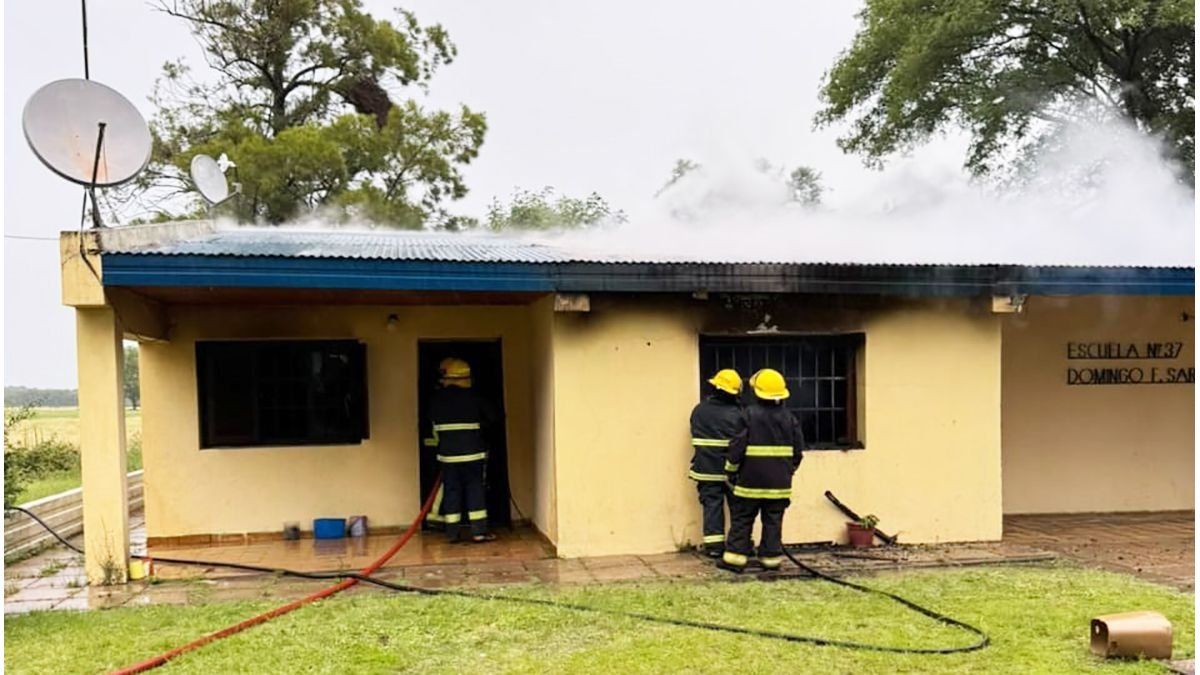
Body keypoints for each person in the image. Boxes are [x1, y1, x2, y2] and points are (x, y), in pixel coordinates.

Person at [721, 368, 805, 572]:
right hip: (779, 485)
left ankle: (735, 559)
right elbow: (797, 452)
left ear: (757, 392)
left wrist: (730, 470)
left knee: (742, 519)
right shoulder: (790, 418)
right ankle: (771, 559)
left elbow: (737, 447)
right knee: (773, 521)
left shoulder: (748, 415)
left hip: (749, 482)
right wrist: (788, 471)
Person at [427, 357, 499, 543]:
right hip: (473, 454)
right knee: (475, 489)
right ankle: (479, 532)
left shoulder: (437, 399)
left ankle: (452, 533)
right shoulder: (475, 397)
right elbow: (493, 418)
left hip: (448, 456)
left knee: (451, 491)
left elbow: (431, 422)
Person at [688, 369, 746, 558]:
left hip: (705, 469)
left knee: (712, 507)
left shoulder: (699, 410)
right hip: (733, 471)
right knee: (739, 508)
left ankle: (714, 547)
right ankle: (739, 544)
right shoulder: (739, 414)